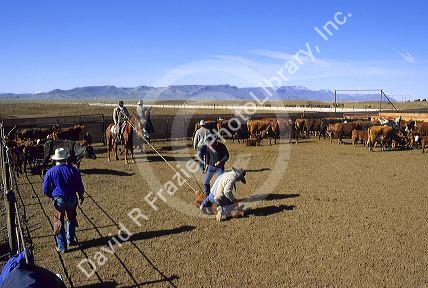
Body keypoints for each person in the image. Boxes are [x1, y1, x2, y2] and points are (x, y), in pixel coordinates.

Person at [42, 148, 85, 253]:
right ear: (66, 158)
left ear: (56, 159)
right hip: (71, 198)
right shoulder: (73, 169)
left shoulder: (50, 172)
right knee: (71, 218)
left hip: (58, 199)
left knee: (58, 221)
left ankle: (62, 247)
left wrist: (51, 196)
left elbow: (45, 189)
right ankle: (70, 239)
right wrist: (81, 195)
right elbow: (80, 185)